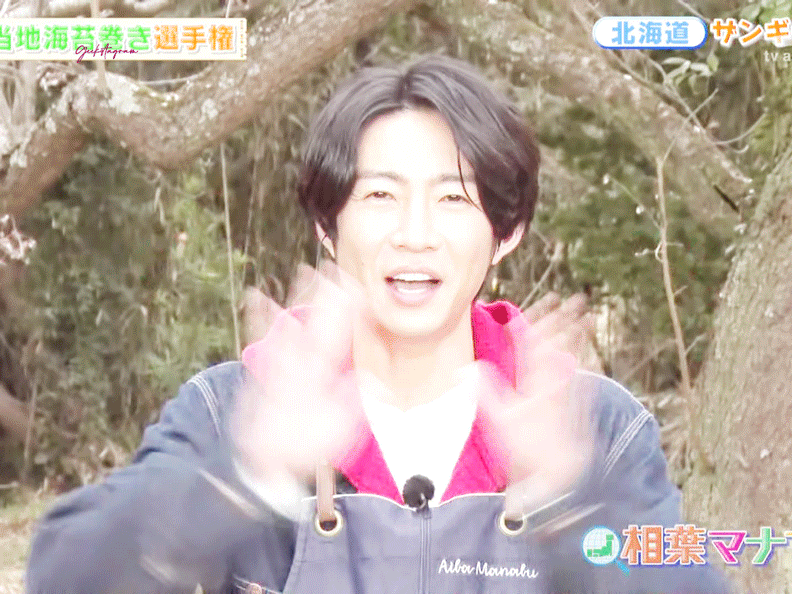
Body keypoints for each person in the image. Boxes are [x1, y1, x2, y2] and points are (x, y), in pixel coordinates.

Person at [26, 55, 730, 594]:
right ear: (327, 227)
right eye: (380, 196)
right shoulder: (232, 409)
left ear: (506, 231)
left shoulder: (595, 427)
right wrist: (244, 476)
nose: (414, 234)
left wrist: (571, 504)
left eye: (453, 199)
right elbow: (67, 577)